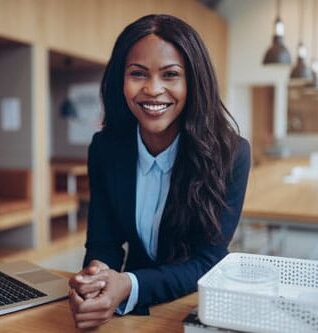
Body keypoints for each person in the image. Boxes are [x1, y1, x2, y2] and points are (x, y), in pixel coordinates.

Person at [69, 14, 251, 329]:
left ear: (193, 82)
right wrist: (96, 280)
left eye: (170, 75)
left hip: (193, 306)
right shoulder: (105, 148)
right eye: (138, 74)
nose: (153, 89)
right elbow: (103, 241)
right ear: (120, 81)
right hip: (130, 308)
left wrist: (127, 285)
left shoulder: (230, 154)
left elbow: (208, 260)